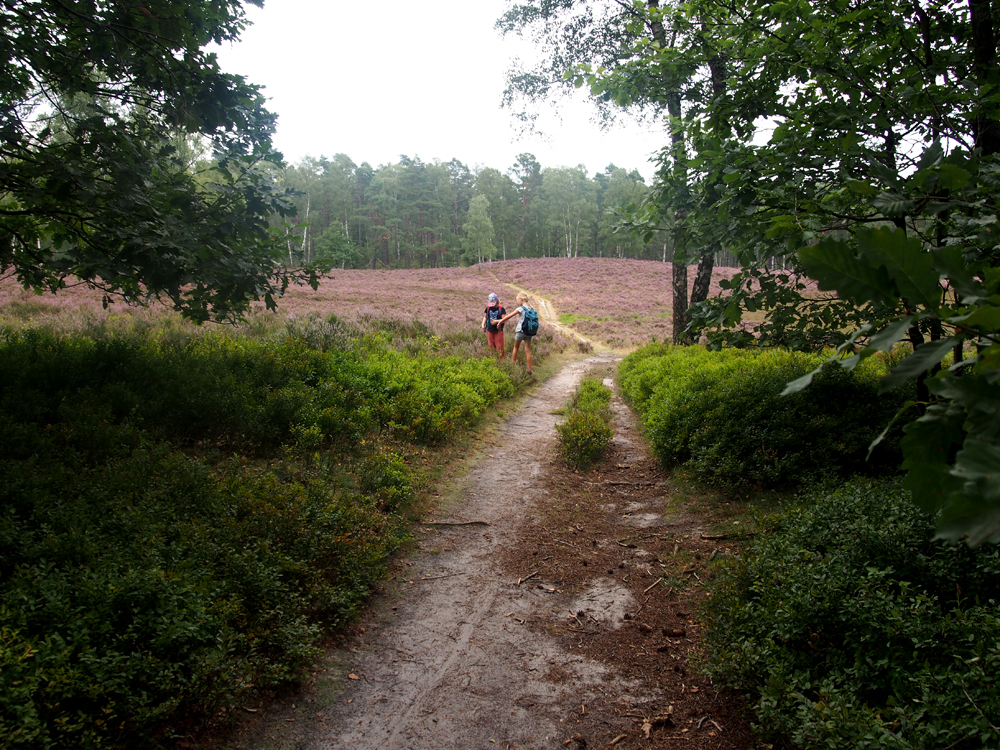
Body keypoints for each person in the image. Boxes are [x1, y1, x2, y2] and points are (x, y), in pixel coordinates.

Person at [498, 292, 535, 375]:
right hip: (529, 331)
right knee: (528, 350)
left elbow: (509, 316)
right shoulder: (531, 308)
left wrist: (500, 321)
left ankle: (512, 366)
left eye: (518, 300)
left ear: (521, 299)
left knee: (516, 347)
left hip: (521, 331)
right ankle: (529, 369)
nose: (518, 302)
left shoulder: (521, 308)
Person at [481, 292, 506, 358]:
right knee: (491, 347)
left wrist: (496, 321)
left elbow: (504, 320)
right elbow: (485, 317)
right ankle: (493, 361)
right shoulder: (488, 308)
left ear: (497, 301)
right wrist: (483, 325)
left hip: (498, 331)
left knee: (499, 347)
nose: (492, 305)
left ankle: (501, 362)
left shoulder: (501, 309)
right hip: (489, 330)